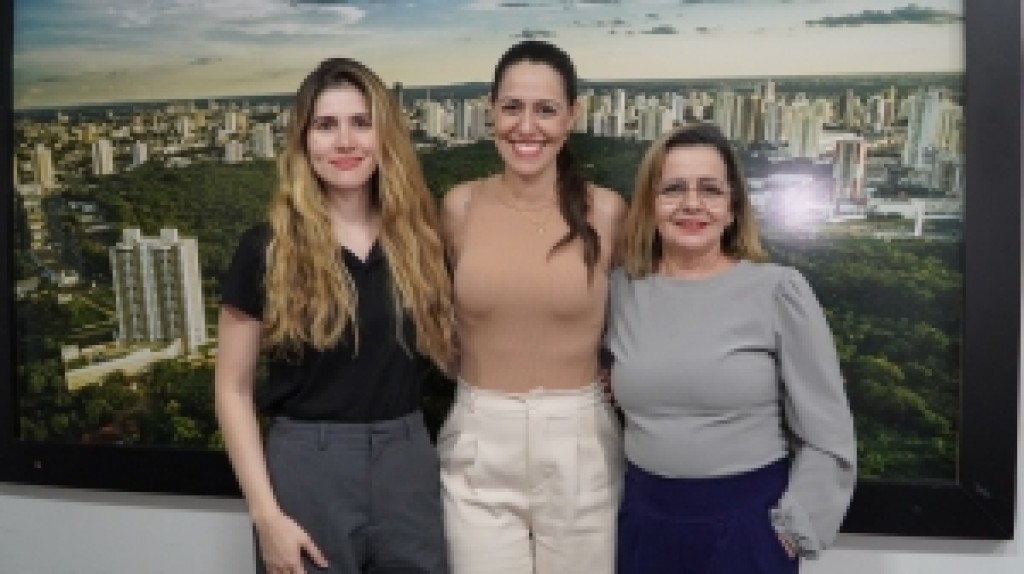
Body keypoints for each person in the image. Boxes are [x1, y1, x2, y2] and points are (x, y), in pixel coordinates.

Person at [215, 57, 455, 574]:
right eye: (326, 125)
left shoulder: (424, 242)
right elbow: (232, 390)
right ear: (304, 142)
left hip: (408, 461)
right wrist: (266, 516)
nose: (345, 142)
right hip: (308, 469)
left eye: (361, 123)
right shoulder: (265, 249)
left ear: (385, 135)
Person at [605, 122, 857, 573]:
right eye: (673, 189)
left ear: (733, 206)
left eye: (710, 189)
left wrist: (795, 529)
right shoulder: (619, 291)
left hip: (749, 526)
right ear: (649, 203)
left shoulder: (778, 291)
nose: (692, 204)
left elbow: (827, 428)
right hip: (646, 524)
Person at [438, 40, 626, 574]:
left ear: (572, 116)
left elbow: (644, 313)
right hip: (478, 436)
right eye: (511, 107)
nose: (526, 127)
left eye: (545, 109)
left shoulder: (608, 212)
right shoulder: (459, 206)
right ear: (490, 111)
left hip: (580, 440)